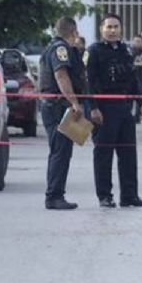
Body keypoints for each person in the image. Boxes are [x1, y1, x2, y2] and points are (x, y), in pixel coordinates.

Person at [86, 14, 142, 208]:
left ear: (121, 29)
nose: (112, 30)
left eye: (116, 27)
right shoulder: (94, 51)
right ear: (101, 29)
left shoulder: (125, 51)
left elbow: (133, 81)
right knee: (104, 154)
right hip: (104, 108)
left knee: (128, 154)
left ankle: (130, 196)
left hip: (124, 108)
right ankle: (105, 196)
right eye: (109, 27)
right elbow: (88, 82)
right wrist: (93, 108)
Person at [39, 17, 85, 210]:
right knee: (60, 152)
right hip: (57, 107)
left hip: (55, 106)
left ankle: (56, 194)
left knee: (62, 151)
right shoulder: (60, 49)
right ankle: (54, 196)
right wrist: (74, 101)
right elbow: (61, 75)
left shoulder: (52, 47)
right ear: (73, 32)